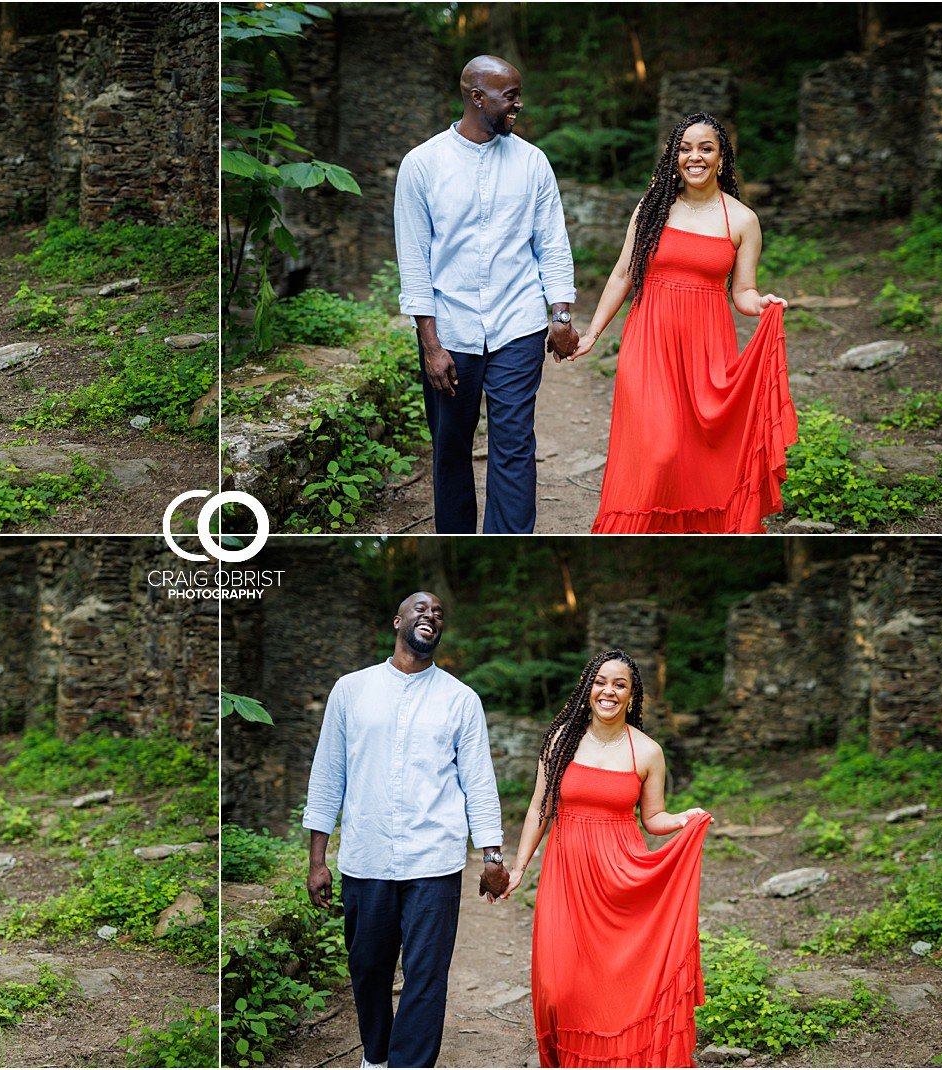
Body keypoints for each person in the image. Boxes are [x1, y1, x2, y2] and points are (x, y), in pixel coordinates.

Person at [303, 592, 508, 1069]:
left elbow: (479, 781)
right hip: (365, 856)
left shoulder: (461, 699)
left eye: (438, 613)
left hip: (434, 860)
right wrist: (317, 860)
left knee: (426, 975)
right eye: (420, 609)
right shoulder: (350, 690)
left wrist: (492, 857)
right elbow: (328, 774)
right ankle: (376, 1057)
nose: (430, 616)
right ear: (398, 620)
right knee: (368, 967)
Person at [569, 112, 798, 533]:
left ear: (722, 158)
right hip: (648, 340)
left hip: (707, 348)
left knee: (698, 449)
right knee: (660, 450)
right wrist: (593, 333)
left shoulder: (742, 220)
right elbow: (623, 274)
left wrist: (761, 303)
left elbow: (742, 291)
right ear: (673, 156)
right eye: (685, 148)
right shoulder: (653, 208)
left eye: (706, 148)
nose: (695, 157)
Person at [498, 650, 711, 1067]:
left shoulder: (648, 751)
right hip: (565, 874)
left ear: (631, 696)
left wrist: (684, 819)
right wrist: (520, 867)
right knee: (557, 987)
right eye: (601, 682)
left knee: (617, 985)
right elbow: (539, 807)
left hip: (621, 876)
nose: (608, 691)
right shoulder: (562, 741)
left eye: (619, 684)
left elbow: (652, 818)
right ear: (587, 688)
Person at [395, 56, 579, 535]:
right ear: (477, 97)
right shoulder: (422, 164)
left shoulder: (533, 162)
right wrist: (430, 345)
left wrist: (560, 315)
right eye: (510, 96)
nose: (518, 104)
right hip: (450, 332)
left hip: (518, 326)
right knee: (451, 447)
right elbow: (414, 263)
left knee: (515, 445)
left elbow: (552, 244)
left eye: (519, 94)